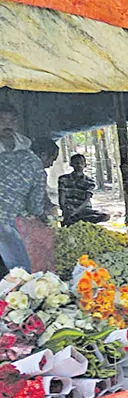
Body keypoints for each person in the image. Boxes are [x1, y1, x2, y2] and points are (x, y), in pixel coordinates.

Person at [0, 104, 46, 272]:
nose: (7, 125)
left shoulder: (30, 158)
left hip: (12, 226)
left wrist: (36, 213)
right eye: (2, 120)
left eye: (11, 121)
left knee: (18, 274)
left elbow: (37, 194)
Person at [58, 154, 110, 227]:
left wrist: (76, 211)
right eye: (76, 163)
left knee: (105, 216)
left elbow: (86, 200)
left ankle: (77, 219)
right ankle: (75, 220)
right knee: (67, 217)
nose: (79, 165)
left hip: (84, 210)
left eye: (82, 163)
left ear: (85, 165)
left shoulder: (90, 181)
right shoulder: (63, 179)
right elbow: (61, 197)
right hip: (69, 209)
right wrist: (64, 208)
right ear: (71, 164)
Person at [30, 138, 60, 216]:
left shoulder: (13, 156)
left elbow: (42, 194)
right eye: (52, 160)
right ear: (43, 155)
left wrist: (49, 204)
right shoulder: (38, 171)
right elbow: (35, 207)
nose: (51, 165)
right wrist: (47, 216)